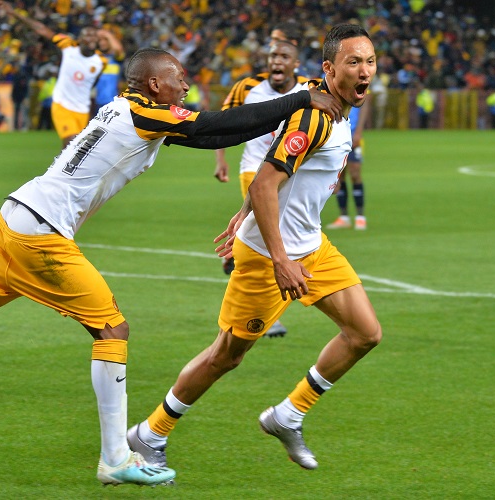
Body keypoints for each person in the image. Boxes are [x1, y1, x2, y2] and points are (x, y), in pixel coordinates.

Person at [0, 47, 342, 486]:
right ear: (153, 83)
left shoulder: (127, 109)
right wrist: (299, 99)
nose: (186, 84)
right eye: (178, 78)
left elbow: (207, 132)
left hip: (15, 217)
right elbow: (215, 128)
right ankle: (116, 458)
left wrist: (287, 105)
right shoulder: (145, 110)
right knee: (111, 328)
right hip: (42, 233)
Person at [126, 25, 382, 473]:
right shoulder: (314, 115)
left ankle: (288, 415)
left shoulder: (336, 109)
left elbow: (276, 170)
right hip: (269, 258)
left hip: (313, 247)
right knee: (227, 354)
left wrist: (244, 207)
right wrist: (279, 257)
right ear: (329, 68)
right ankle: (150, 433)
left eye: (370, 61)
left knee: (365, 334)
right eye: (354, 63)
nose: (365, 71)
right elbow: (267, 181)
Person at [212, 23, 308, 338]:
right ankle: (266, 316)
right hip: (254, 171)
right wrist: (221, 160)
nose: (276, 61)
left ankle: (236, 257)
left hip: (289, 172)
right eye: (272, 56)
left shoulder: (309, 89)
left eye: (283, 56)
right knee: (270, 239)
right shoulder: (247, 87)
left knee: (268, 238)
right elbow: (224, 123)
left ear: (295, 63)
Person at [0, 1, 105, 147]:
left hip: (82, 109)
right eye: (87, 35)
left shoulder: (100, 61)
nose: (91, 38)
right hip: (62, 105)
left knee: (76, 150)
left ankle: (61, 169)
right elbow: (41, 29)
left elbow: (93, 82)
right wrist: (14, 13)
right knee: (70, 143)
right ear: (80, 39)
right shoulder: (68, 46)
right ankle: (60, 170)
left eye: (94, 36)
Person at [326, 98, 372, 230]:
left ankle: (360, 217)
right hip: (337, 135)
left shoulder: (358, 83)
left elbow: (366, 102)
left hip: (353, 134)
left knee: (355, 173)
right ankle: (344, 217)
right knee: (340, 175)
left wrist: (359, 132)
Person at [93, 28, 125, 113]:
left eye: (105, 40)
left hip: (114, 102)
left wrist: (108, 34)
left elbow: (118, 49)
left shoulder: (116, 58)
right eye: (100, 40)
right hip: (98, 102)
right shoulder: (97, 58)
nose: (102, 43)